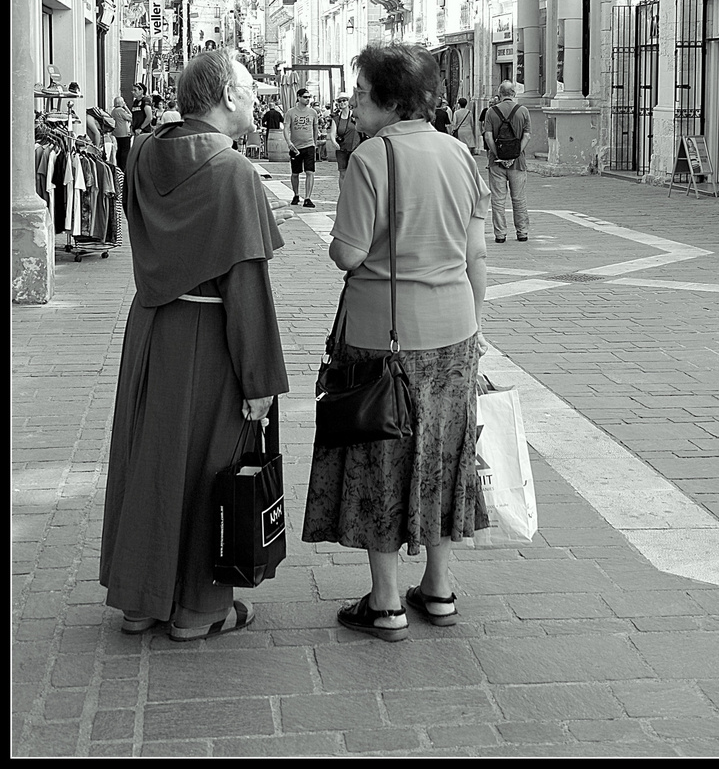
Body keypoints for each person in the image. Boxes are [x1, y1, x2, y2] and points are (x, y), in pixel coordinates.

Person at [99, 50, 291, 642]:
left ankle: (139, 601)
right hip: (209, 335)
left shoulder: (144, 152)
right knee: (210, 463)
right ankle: (196, 609)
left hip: (153, 325)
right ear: (228, 97)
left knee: (151, 458)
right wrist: (259, 381)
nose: (255, 96)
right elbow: (245, 282)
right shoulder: (232, 172)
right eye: (249, 86)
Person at [302, 42, 490, 642]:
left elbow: (348, 254)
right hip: (455, 331)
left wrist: (342, 240)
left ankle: (385, 603)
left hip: (383, 340)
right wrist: (475, 328)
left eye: (361, 92)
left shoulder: (370, 159)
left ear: (387, 99)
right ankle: (439, 587)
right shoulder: (461, 155)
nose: (354, 101)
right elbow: (477, 255)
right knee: (441, 452)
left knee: (380, 455)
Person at [484, 80, 532, 244]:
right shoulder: (523, 111)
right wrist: (515, 154)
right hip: (517, 163)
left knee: (498, 200)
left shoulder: (491, 112)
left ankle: (500, 234)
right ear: (514, 93)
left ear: (500, 94)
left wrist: (498, 154)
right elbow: (527, 135)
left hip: (496, 162)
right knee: (518, 198)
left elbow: (488, 136)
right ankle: (522, 232)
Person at [283, 88, 318, 208]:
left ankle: (308, 198)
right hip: (295, 147)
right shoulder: (290, 112)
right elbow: (286, 128)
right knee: (295, 173)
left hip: (309, 145)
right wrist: (289, 142)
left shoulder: (313, 112)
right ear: (298, 97)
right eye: (305, 97)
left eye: (309, 97)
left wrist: (315, 143)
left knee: (310, 172)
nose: (308, 99)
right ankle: (296, 194)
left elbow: (315, 129)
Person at [328, 91, 361, 188]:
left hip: (356, 148)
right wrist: (334, 142)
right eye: (340, 101)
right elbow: (332, 133)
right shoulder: (336, 119)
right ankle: (343, 196)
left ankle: (354, 194)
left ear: (348, 102)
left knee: (355, 173)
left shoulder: (355, 115)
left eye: (344, 100)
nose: (342, 102)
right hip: (342, 149)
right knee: (342, 173)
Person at [110, 95, 133, 172]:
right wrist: (126, 107)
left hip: (116, 133)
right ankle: (124, 167)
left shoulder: (113, 111)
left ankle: (119, 166)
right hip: (124, 133)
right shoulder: (121, 111)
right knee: (125, 150)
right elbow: (131, 117)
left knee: (119, 149)